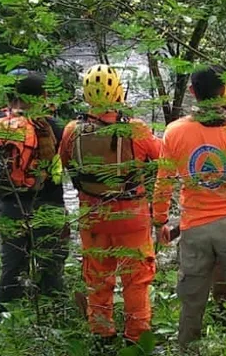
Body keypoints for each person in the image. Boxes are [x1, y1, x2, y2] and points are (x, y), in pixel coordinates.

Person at [154, 67, 226, 353]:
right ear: (223, 92)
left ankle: (188, 350)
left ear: (192, 92)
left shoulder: (175, 132)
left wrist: (159, 220)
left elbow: (164, 181)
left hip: (194, 228)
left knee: (191, 303)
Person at [58, 64, 162, 345]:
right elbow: (162, 157)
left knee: (97, 278)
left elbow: (66, 164)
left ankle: (102, 334)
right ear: (118, 92)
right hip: (132, 216)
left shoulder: (72, 131)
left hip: (92, 216)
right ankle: (136, 337)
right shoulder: (135, 129)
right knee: (136, 279)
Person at [0, 69, 68, 314]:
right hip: (48, 203)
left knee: (11, 265)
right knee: (51, 263)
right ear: (41, 96)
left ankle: (6, 314)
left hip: (10, 205)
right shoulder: (50, 125)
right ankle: (56, 313)